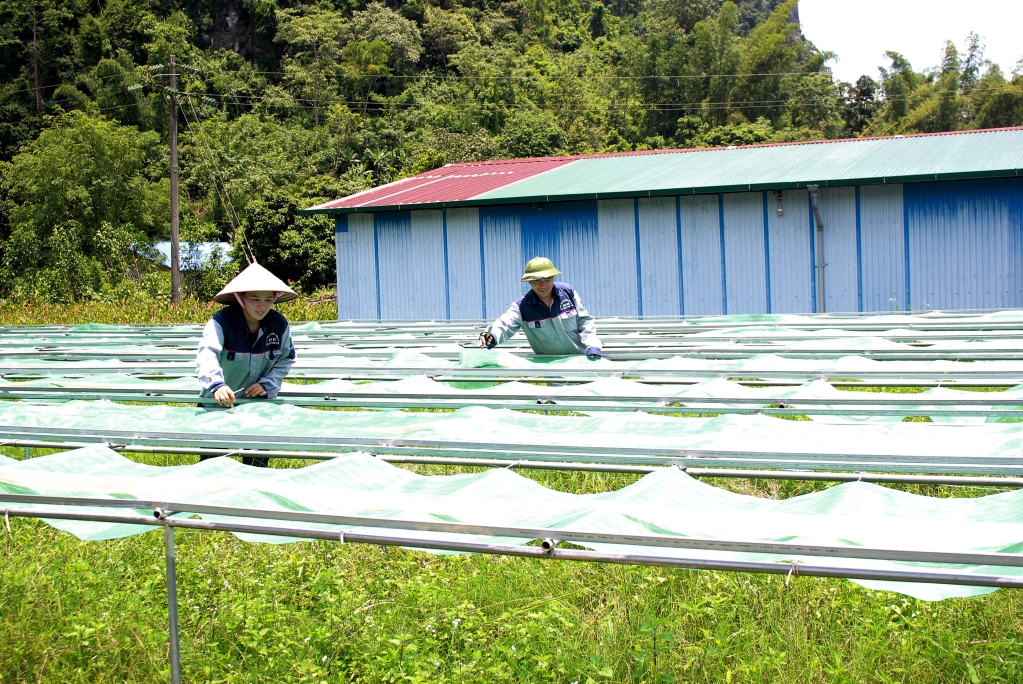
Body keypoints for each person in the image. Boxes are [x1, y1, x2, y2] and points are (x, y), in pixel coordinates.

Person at [196, 262, 298, 467]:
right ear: (240, 298)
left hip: (258, 407)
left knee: (257, 466)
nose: (262, 306)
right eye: (255, 299)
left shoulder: (278, 325)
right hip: (218, 405)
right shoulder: (221, 322)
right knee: (212, 467)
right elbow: (207, 355)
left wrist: (268, 384)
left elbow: (286, 358)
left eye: (268, 299)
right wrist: (217, 385)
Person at [479, 256, 602, 358]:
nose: (543, 285)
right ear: (529, 281)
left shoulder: (568, 293)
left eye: (547, 279)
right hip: (549, 367)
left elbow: (584, 321)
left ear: (553, 277)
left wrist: (593, 346)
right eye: (537, 280)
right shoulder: (522, 307)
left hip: (581, 359)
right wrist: (492, 335)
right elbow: (506, 323)